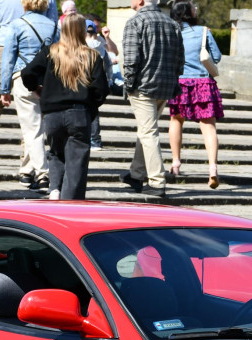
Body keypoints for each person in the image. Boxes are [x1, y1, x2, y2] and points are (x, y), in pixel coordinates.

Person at [22, 12, 108, 200]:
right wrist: (91, 108)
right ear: (81, 31)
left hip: (52, 114)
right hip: (79, 113)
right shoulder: (92, 56)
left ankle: (55, 189)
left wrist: (37, 89)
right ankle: (70, 203)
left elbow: (27, 72)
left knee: (55, 153)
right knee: (76, 161)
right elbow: (101, 90)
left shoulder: (50, 52)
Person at [0, 0, 58, 166]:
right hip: (37, 49)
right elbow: (54, 25)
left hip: (4, 44)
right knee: (35, 106)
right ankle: (27, 155)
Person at [121, 0, 183, 198]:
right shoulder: (172, 23)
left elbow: (131, 59)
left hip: (143, 86)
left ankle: (156, 181)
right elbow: (180, 60)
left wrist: (128, 84)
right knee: (146, 129)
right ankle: (136, 174)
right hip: (164, 86)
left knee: (148, 132)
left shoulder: (135, 22)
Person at [0, 0, 59, 191]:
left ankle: (43, 175)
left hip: (23, 78)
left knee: (32, 129)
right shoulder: (54, 27)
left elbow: (8, 59)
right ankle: (26, 172)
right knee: (33, 128)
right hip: (47, 82)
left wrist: (4, 88)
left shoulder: (17, 25)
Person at [166, 0, 223, 189]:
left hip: (180, 82)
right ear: (189, 12)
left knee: (176, 121)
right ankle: (213, 169)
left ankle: (175, 164)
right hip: (202, 82)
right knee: (208, 127)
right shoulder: (203, 31)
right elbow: (216, 57)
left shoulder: (172, 33)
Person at [84, 18, 112, 151]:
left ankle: (83, 137)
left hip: (83, 82)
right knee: (94, 111)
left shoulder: (80, 46)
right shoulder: (101, 47)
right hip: (97, 82)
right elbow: (108, 64)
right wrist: (109, 79)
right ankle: (95, 140)